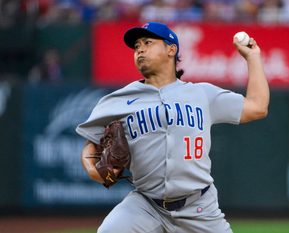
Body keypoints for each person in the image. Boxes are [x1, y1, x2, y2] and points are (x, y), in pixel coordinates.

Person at [76, 22, 269, 233]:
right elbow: (91, 145)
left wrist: (253, 58)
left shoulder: (202, 94)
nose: (140, 49)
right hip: (146, 205)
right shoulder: (118, 100)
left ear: (171, 49)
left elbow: (257, 107)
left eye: (148, 42)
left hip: (199, 207)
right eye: (136, 46)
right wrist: (95, 171)